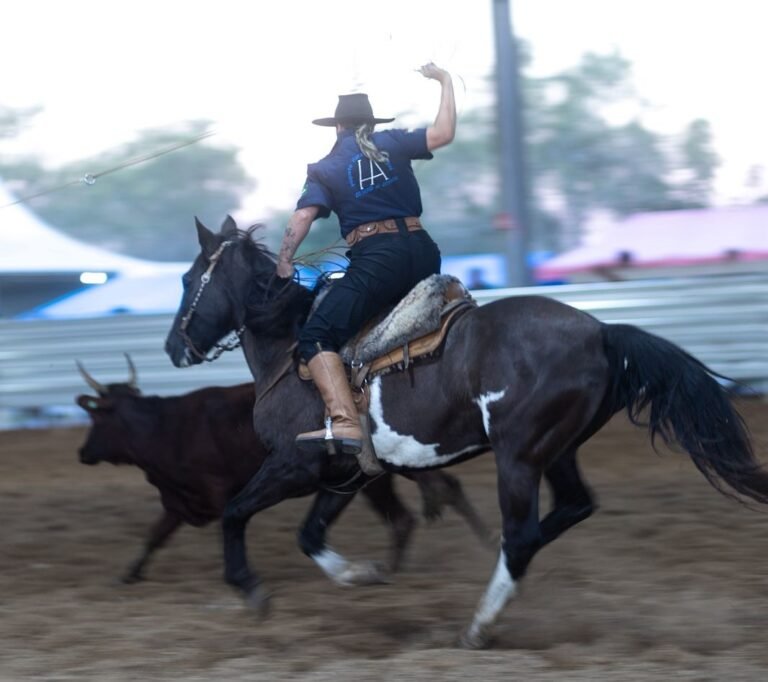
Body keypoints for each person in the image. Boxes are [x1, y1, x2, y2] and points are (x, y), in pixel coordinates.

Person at [275, 62, 456, 460]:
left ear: (337, 127)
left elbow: (302, 217)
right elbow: (444, 133)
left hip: (379, 259)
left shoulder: (326, 167)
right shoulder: (394, 141)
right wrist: (444, 81)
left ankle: (344, 421)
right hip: (424, 252)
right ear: (369, 125)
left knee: (317, 335)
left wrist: (285, 260)